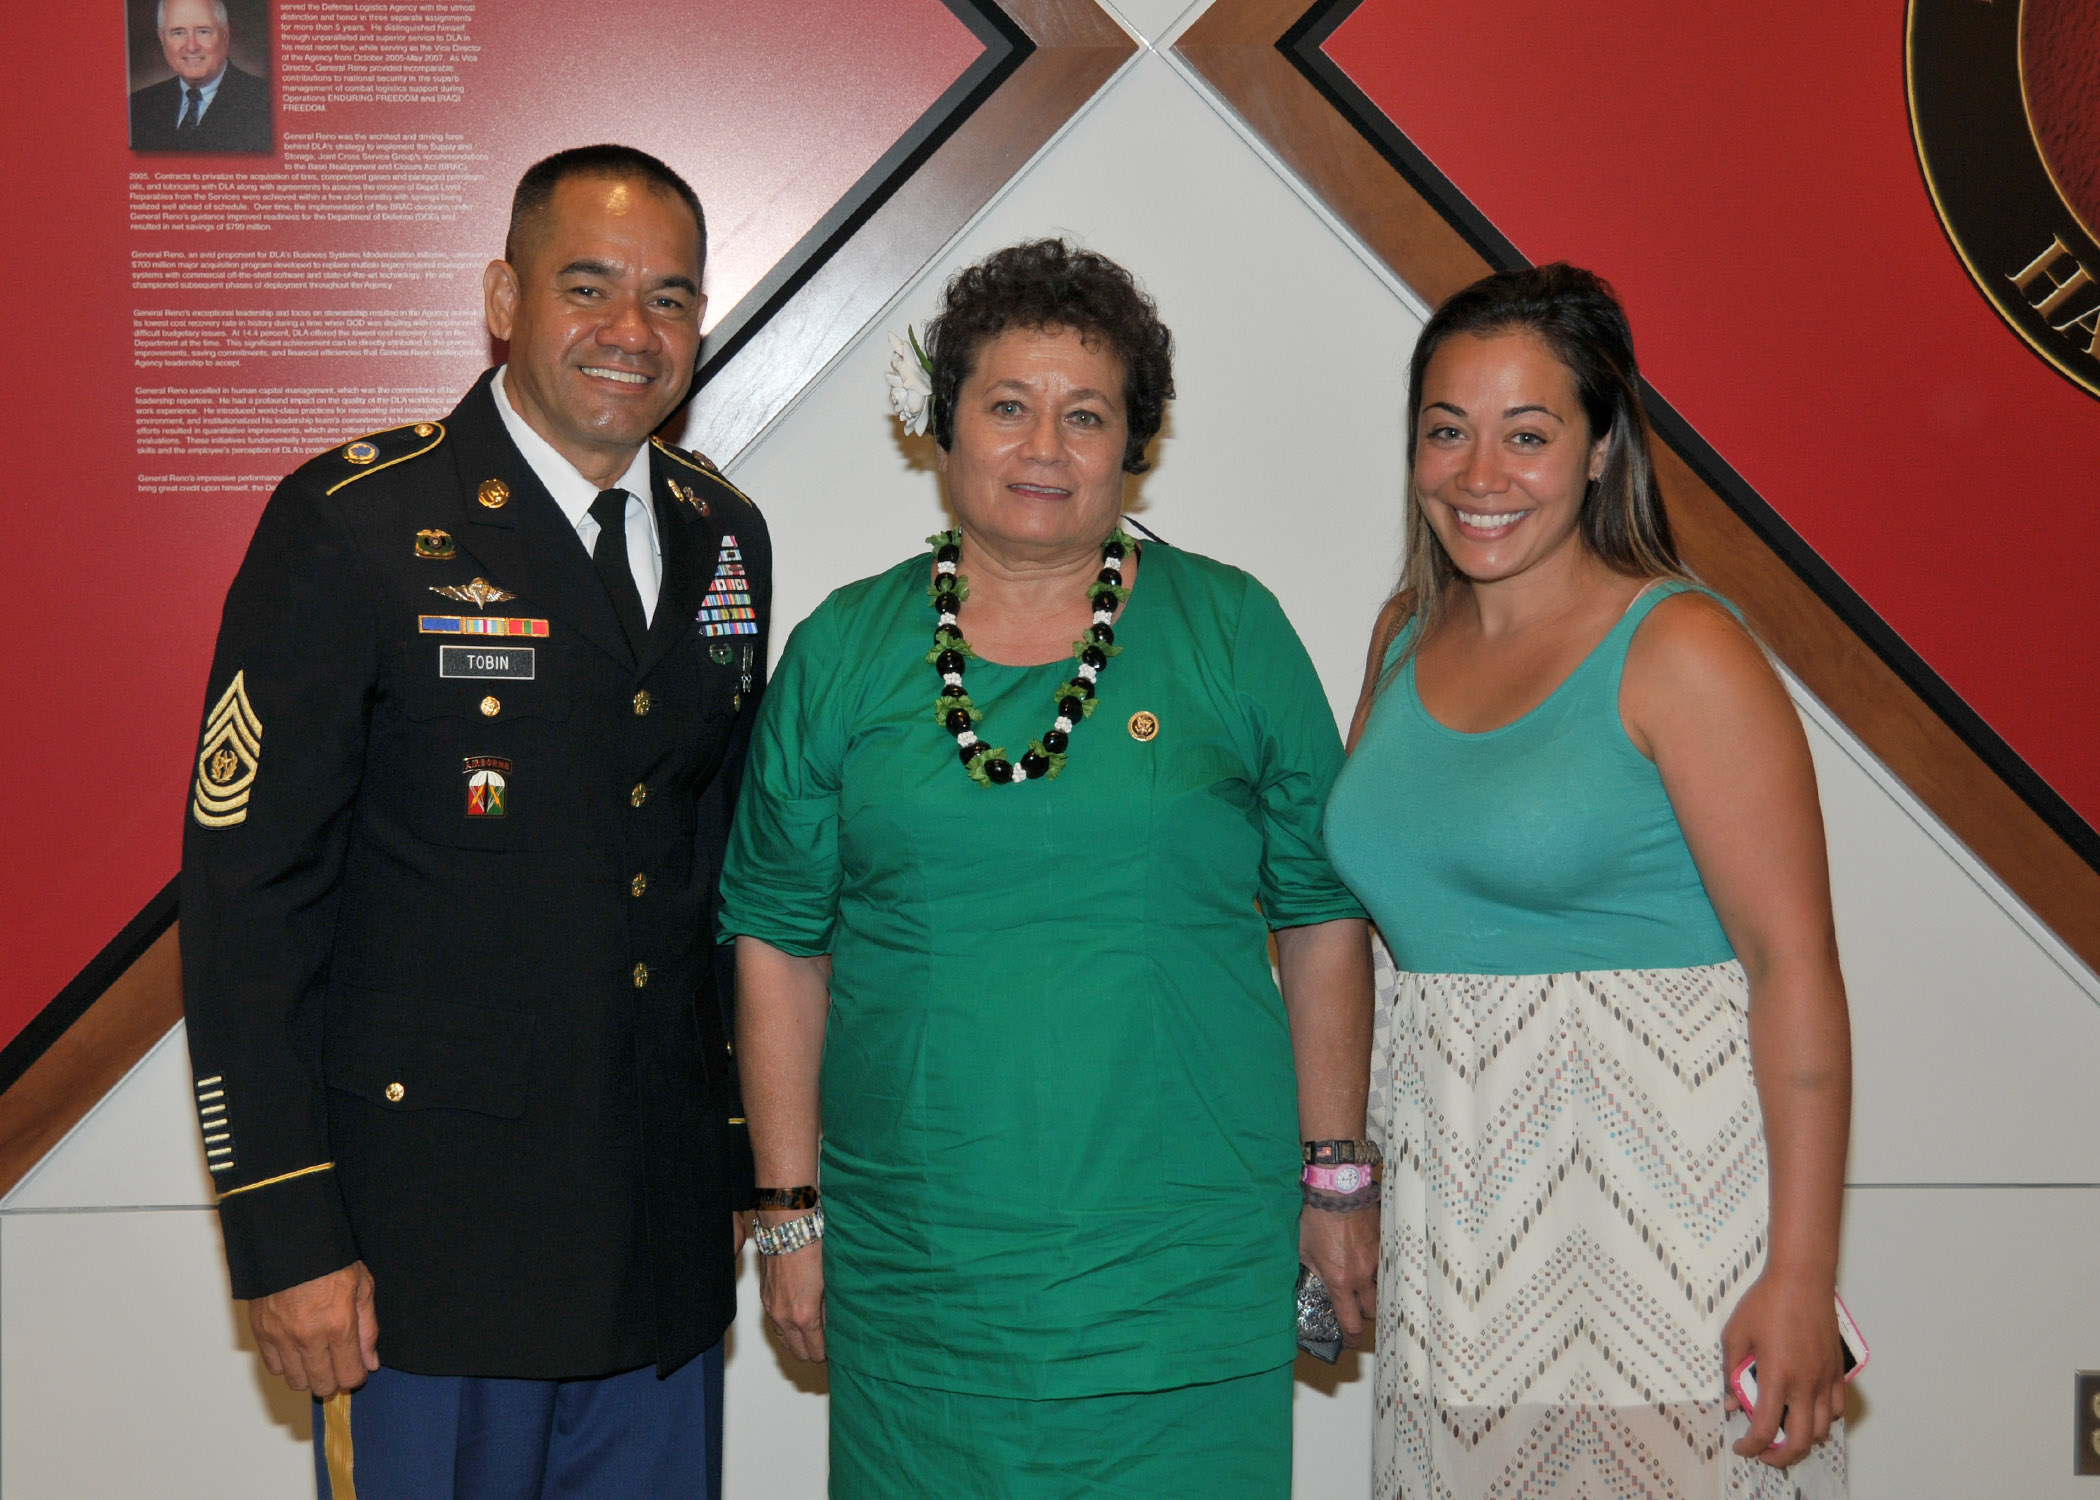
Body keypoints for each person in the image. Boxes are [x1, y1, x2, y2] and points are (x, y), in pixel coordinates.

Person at [719, 238, 1377, 1498]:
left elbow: (1322, 905)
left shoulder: (1231, 630)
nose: (1044, 448)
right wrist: (788, 1213)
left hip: (1184, 1269)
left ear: (1134, 444)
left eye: (1088, 416)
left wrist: (1339, 1181)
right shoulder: (845, 649)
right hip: (921, 1273)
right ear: (943, 426)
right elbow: (777, 937)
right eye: (1008, 406)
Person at [180, 143, 768, 1500]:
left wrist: (734, 1164)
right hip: (419, 1263)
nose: (633, 332)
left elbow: (710, 877)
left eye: (671, 298)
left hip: (655, 1250)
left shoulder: (726, 537)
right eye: (590, 287)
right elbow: (246, 904)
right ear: (504, 298)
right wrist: (284, 1233)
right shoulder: (356, 524)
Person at [1324, 263, 1851, 1498]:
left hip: (1659, 1223)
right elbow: (1351, 932)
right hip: (1451, 1224)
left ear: (1604, 446)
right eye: (1446, 431)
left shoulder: (1682, 647)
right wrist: (1337, 1174)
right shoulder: (1402, 633)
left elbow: (1795, 969)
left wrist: (1801, 1273)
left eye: (1528, 434)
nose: (1478, 474)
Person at [129, 0, 272, 154]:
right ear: (162, 38)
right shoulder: (138, 106)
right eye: (178, 32)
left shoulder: (267, 101)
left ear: (225, 35)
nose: (191, 46)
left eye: (203, 31)